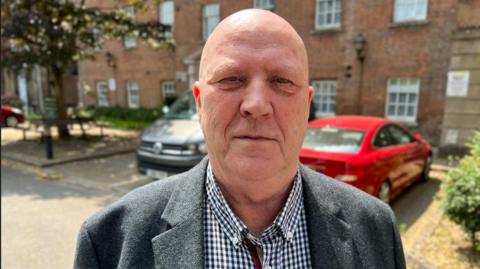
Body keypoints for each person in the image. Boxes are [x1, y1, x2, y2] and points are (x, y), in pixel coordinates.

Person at [74, 9, 406, 269]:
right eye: (232, 79)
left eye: (281, 80)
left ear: (306, 106)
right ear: (200, 102)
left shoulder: (375, 228)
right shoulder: (109, 241)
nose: (257, 104)